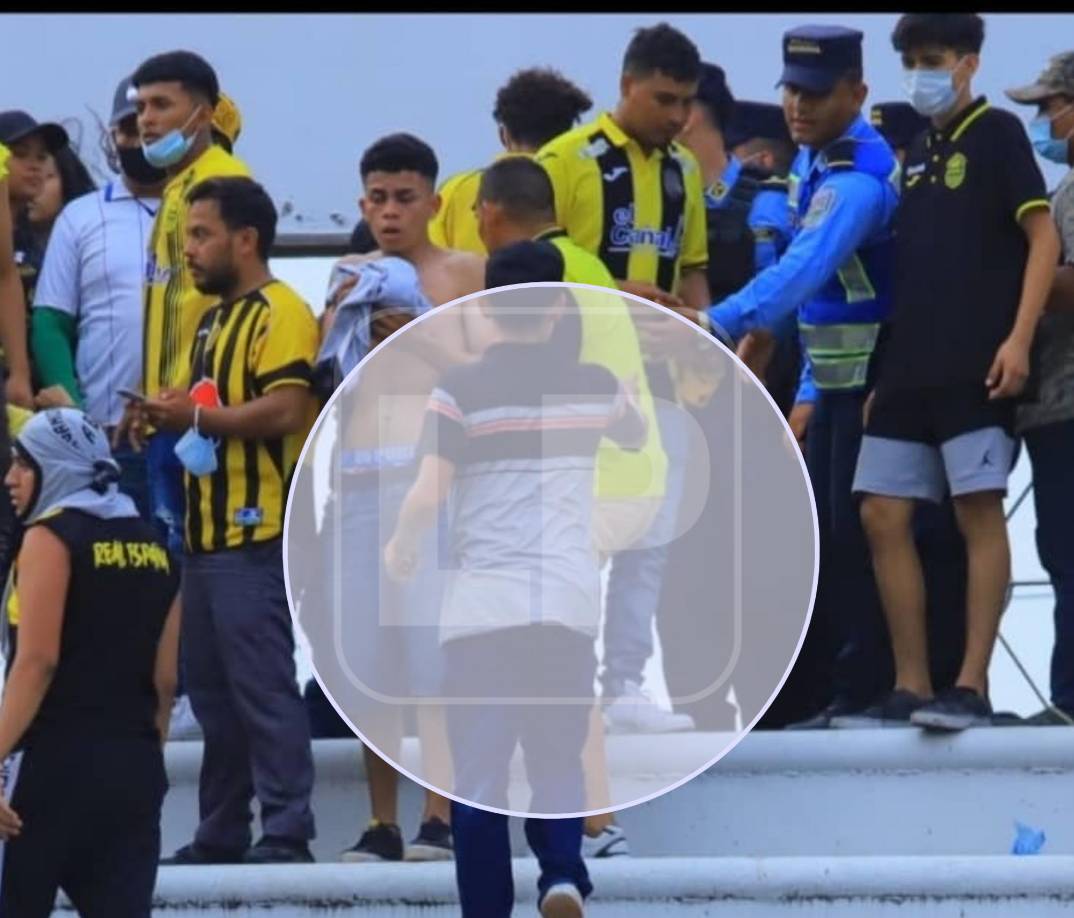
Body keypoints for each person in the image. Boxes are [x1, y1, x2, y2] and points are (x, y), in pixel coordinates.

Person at [385, 240, 645, 918]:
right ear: (558, 308)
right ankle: (561, 875)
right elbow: (636, 434)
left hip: (480, 613)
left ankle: (486, 910)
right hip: (564, 606)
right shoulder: (593, 384)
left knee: (479, 775)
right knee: (558, 756)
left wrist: (402, 545)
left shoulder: (459, 390)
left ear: (487, 310)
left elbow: (428, 492)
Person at [670, 26, 901, 729]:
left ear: (857, 92)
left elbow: (804, 271)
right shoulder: (811, 162)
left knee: (854, 540)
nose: (798, 105)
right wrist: (802, 391)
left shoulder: (855, 180)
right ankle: (838, 691)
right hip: (830, 387)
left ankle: (865, 691)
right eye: (792, 90)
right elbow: (811, 298)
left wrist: (715, 320)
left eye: (817, 93)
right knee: (825, 538)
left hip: (871, 386)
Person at [849, 13, 1059, 730]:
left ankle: (970, 685)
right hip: (908, 366)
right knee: (881, 512)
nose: (921, 73)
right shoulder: (916, 148)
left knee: (977, 509)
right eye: (911, 60)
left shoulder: (997, 134)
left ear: (968, 63)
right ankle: (910, 683)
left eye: (933, 59)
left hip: (977, 362)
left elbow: (1042, 238)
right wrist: (883, 372)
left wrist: (1019, 340)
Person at [474, 154, 667, 856]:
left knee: (558, 654)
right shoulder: (585, 264)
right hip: (628, 475)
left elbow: (549, 385)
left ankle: (593, 819)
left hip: (589, 485)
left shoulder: (543, 281)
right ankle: (584, 815)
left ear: (489, 213)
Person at [536, 21, 710, 735]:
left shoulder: (685, 170)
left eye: (687, 103)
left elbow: (692, 269)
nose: (678, 117)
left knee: (650, 539)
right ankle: (564, 682)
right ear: (627, 85)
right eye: (664, 100)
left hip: (659, 387)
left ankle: (626, 686)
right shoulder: (565, 160)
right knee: (573, 539)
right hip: (573, 386)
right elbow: (531, 272)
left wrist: (698, 331)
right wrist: (615, 294)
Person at [317, 133, 484, 864]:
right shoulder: (348, 275)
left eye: (404, 198)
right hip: (359, 482)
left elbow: (489, 375)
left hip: (432, 484)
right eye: (378, 199)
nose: (390, 212)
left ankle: (438, 814)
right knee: (368, 660)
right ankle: (381, 820)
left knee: (431, 654)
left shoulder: (466, 272)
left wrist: (420, 335)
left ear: (434, 203)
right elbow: (329, 377)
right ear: (362, 204)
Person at [144, 176, 318, 864]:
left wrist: (194, 416)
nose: (188, 250)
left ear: (245, 240)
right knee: (214, 700)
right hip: (204, 539)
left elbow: (288, 409)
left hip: (258, 533)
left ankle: (287, 831)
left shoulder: (282, 310)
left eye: (200, 234)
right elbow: (211, 408)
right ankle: (221, 832)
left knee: (263, 691)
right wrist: (166, 412)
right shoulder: (211, 319)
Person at [0, 407, 180, 917]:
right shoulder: (156, 547)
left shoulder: (49, 537)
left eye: (24, 464)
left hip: (49, 767)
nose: (10, 478)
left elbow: (37, 662)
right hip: (134, 768)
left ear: (57, 470)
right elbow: (165, 682)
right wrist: (141, 762)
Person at [122, 50, 251, 559]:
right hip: (167, 414)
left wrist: (192, 402)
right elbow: (173, 304)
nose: (146, 120)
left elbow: (237, 299)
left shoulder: (226, 184)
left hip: (202, 421)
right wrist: (148, 395)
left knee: (198, 569)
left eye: (161, 105)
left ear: (203, 113)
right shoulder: (177, 185)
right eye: (141, 108)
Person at [32, 75, 166, 522]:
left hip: (188, 434)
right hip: (108, 438)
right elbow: (51, 320)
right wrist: (76, 415)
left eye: (149, 128)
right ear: (112, 137)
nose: (140, 138)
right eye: (128, 128)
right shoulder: (82, 216)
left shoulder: (204, 210)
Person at [1003, 52, 1074, 726]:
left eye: (1051, 106)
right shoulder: (1063, 193)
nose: (1043, 121)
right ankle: (1067, 695)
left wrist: (1005, 273)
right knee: (1060, 552)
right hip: (1052, 406)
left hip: (1070, 406)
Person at [430, 67, 593, 255]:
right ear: (568, 135)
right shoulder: (583, 187)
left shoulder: (455, 191)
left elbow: (429, 260)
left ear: (504, 134)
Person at [0, 111, 69, 410]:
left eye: (42, 157)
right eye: (20, 154)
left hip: (34, 388)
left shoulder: (45, 240)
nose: (34, 166)